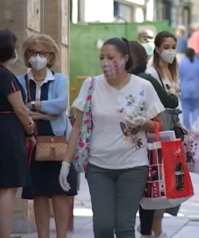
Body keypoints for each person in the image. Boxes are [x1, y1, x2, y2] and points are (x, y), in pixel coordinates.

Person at [59, 37, 164, 238]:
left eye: (111, 57)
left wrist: (143, 122)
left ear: (125, 59)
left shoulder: (143, 86)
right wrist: (66, 163)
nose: (105, 62)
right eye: (102, 58)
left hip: (133, 166)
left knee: (125, 227)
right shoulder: (91, 85)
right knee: (103, 226)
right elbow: (77, 127)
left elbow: (158, 125)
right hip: (99, 167)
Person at [16, 34, 77, 238]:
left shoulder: (59, 79)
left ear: (50, 56)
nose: (37, 57)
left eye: (42, 53)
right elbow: (20, 109)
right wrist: (44, 113)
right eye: (33, 53)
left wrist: (34, 106)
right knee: (39, 194)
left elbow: (60, 105)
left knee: (60, 195)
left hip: (58, 141)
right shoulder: (20, 81)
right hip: (32, 142)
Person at [0, 29, 35, 238]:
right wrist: (30, 129)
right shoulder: (4, 75)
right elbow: (20, 109)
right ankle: (4, 234)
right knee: (8, 188)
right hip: (8, 131)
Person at [127, 40, 179, 238]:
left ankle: (140, 229)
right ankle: (149, 231)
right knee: (150, 189)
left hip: (125, 145)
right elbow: (169, 102)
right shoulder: (148, 78)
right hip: (149, 143)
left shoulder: (126, 81)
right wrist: (173, 92)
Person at [145, 31, 179, 238]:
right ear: (157, 49)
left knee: (171, 179)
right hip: (160, 127)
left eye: (173, 46)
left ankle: (157, 227)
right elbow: (165, 101)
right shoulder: (152, 72)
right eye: (166, 47)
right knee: (160, 181)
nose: (170, 51)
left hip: (172, 127)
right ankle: (155, 230)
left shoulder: (173, 70)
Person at [179, 48, 199, 128]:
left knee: (185, 110)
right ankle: (195, 127)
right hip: (196, 89)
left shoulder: (182, 64)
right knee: (195, 109)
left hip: (184, 88)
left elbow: (178, 76)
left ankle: (186, 128)